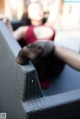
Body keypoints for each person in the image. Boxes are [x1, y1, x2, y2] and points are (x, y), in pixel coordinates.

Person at [14, 2, 64, 88]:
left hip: (53, 63)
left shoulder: (49, 24)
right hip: (37, 63)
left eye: (40, 8)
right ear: (28, 15)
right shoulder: (24, 29)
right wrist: (6, 22)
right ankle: (23, 56)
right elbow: (10, 38)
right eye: (34, 9)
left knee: (55, 47)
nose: (38, 11)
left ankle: (23, 57)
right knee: (46, 47)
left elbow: (56, 6)